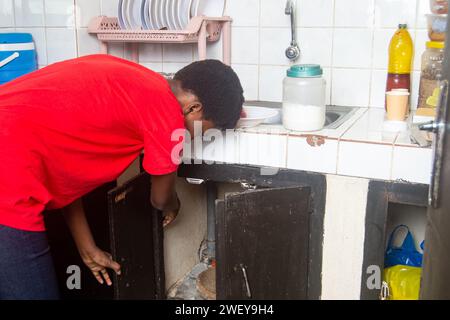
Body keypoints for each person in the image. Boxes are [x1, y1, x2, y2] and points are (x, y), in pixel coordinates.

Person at [0, 54, 244, 300]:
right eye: (201, 131)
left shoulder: (137, 81)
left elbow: (64, 175)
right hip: (9, 184)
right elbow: (160, 200)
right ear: (193, 108)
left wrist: (87, 247)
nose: (192, 138)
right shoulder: (168, 114)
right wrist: (174, 205)